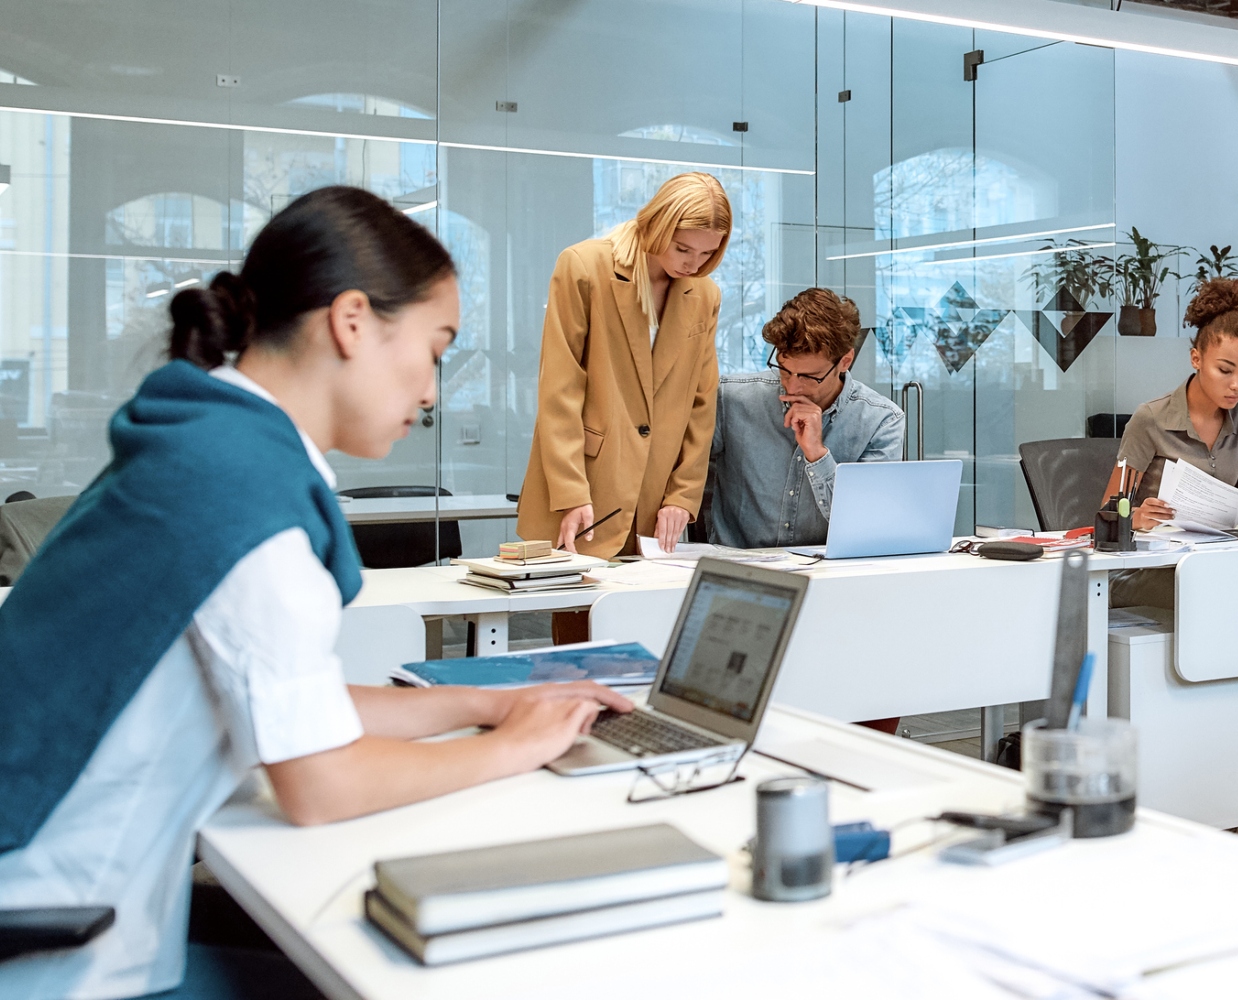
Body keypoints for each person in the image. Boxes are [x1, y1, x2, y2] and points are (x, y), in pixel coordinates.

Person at [0, 187, 630, 1000]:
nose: (433, 390)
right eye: (435, 349)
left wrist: (484, 705)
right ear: (353, 321)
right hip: (64, 945)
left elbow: (295, 698)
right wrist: (515, 749)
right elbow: (320, 784)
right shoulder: (242, 494)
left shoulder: (201, 446)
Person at [515, 172, 731, 559]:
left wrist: (683, 495)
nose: (694, 264)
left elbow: (702, 404)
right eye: (683, 249)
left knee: (643, 618)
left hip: (655, 502)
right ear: (658, 224)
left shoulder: (705, 294)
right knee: (581, 617)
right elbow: (559, 390)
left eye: (707, 254)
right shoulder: (584, 267)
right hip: (585, 489)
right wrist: (570, 490)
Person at [1106, 276, 1238, 609]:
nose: (1237, 385)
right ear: (1196, 359)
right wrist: (1135, 517)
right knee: (1234, 596)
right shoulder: (1151, 419)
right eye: (1225, 370)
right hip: (1149, 571)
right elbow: (1108, 514)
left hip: (1213, 562)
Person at [706, 287, 905, 549]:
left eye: (810, 376)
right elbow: (679, 472)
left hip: (828, 575)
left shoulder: (881, 420)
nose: (793, 387)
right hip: (737, 571)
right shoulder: (731, 399)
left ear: (845, 361)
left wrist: (818, 455)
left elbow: (866, 523)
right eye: (784, 370)